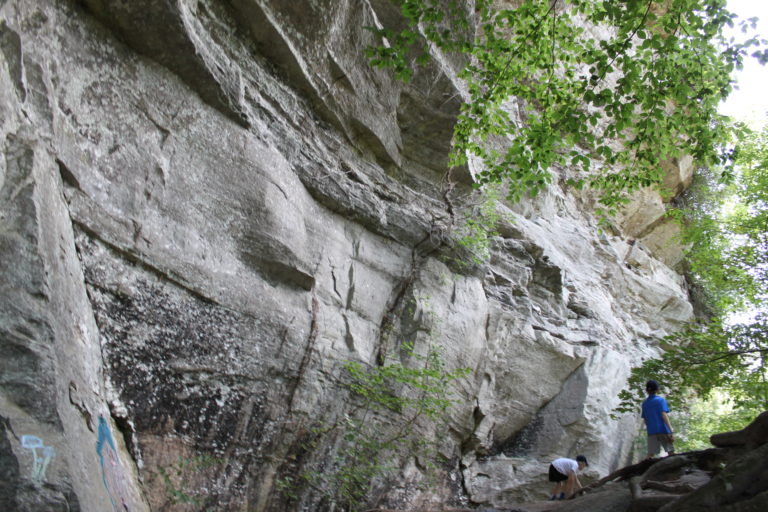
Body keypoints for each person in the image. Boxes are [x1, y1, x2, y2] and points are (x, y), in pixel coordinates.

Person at [641, 379, 675, 458]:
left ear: (646, 390)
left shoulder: (645, 403)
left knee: (650, 454)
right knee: (671, 452)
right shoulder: (660, 400)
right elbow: (663, 415)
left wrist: (650, 429)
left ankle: (643, 469)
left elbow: (645, 420)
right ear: (657, 390)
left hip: (651, 431)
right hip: (663, 430)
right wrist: (671, 430)